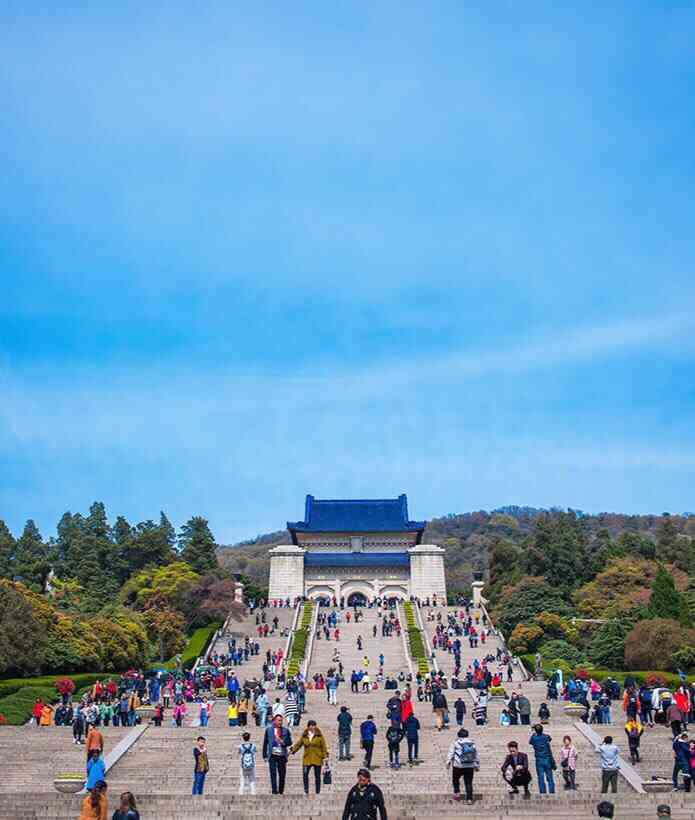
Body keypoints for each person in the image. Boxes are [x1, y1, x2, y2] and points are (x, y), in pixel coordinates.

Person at [291, 719, 329, 795]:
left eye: (314, 725)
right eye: (311, 725)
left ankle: (317, 791)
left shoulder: (319, 736)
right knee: (305, 774)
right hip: (307, 758)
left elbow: (323, 747)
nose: (313, 727)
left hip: (317, 758)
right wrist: (292, 750)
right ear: (308, 727)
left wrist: (325, 757)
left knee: (317, 776)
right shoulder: (305, 736)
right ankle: (306, 790)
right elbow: (299, 744)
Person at [447, 727, 479, 804]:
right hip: (470, 765)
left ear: (458, 735)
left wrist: (448, 762)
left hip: (458, 765)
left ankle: (457, 792)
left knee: (455, 779)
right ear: (467, 735)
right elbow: (476, 754)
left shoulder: (456, 742)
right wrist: (477, 765)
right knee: (468, 782)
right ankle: (469, 799)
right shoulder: (472, 743)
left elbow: (451, 753)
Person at [263, 714, 293, 794]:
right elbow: (265, 742)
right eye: (278, 720)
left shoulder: (285, 730)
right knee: (273, 773)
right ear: (274, 721)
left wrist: (283, 742)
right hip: (272, 754)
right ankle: (274, 791)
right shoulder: (269, 730)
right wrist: (264, 755)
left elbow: (290, 742)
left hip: (282, 755)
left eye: (281, 720)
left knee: (282, 774)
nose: (280, 722)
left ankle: (281, 790)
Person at [529, 724, 555, 795]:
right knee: (549, 776)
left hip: (539, 759)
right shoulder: (546, 737)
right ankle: (552, 791)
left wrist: (533, 732)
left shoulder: (534, 738)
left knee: (541, 777)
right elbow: (550, 738)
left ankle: (543, 792)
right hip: (547, 758)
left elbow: (530, 742)